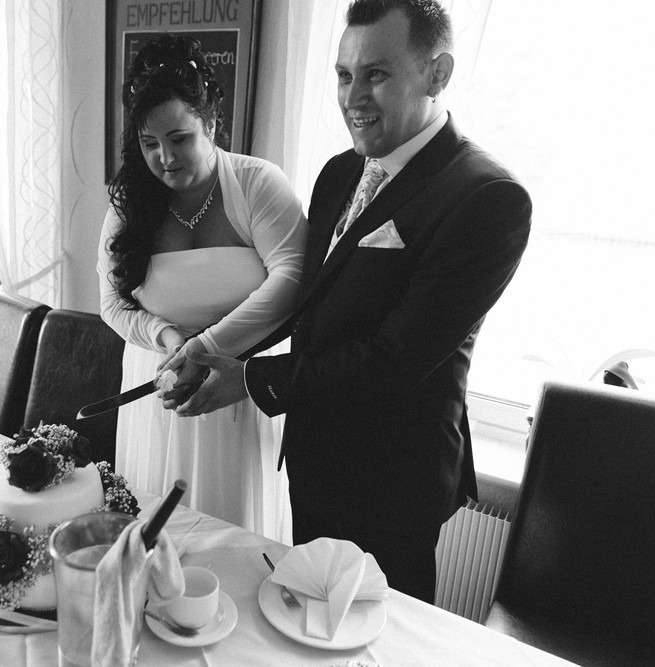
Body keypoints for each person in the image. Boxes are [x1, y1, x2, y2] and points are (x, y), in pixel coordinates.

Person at [162, 0, 532, 603]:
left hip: (392, 482)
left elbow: (395, 358)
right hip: (314, 461)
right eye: (343, 75)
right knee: (300, 621)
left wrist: (250, 380)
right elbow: (313, 308)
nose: (353, 97)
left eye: (376, 74)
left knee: (376, 637)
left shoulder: (487, 197)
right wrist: (214, 350)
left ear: (437, 74)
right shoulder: (339, 172)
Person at [98, 34, 308, 542]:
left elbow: (292, 279)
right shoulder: (130, 203)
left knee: (233, 541)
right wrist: (169, 339)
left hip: (236, 387)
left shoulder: (258, 184)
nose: (165, 158)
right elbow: (111, 304)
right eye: (149, 143)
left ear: (210, 124)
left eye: (179, 138)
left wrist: (205, 347)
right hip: (160, 387)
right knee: (155, 537)